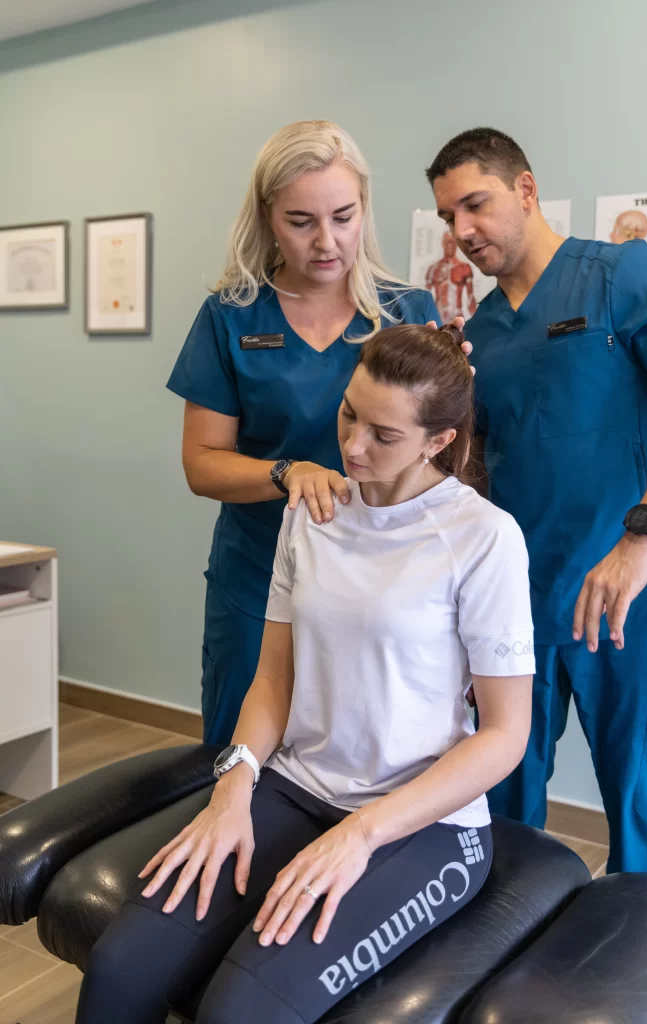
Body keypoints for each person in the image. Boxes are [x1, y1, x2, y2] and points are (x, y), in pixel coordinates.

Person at [76, 324, 535, 1024]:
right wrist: (232, 787)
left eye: (384, 435)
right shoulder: (313, 510)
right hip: (296, 786)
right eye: (350, 413)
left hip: (421, 825)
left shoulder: (482, 537)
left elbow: (503, 736)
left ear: (437, 440)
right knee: (118, 969)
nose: (352, 446)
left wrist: (359, 835)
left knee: (240, 1010)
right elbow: (274, 681)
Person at [427, 127, 647, 879]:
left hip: (629, 597)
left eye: (474, 205)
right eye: (446, 217)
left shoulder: (617, 275)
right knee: (497, 812)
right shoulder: (481, 333)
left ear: (525, 189)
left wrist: (641, 541)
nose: (461, 231)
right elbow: (480, 476)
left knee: (643, 823)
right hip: (515, 609)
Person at [166, 120, 456, 746]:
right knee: (241, 758)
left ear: (364, 210)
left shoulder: (408, 311)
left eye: (344, 217)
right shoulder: (233, 315)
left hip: (379, 585)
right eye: (301, 222)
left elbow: (440, 458)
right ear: (268, 217)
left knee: (366, 759)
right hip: (258, 575)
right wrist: (286, 472)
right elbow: (202, 464)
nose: (327, 241)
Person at [425, 230, 477, 321]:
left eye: (452, 242)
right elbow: (426, 299)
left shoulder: (464, 268)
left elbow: (470, 298)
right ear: (442, 244)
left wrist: (476, 321)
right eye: (447, 242)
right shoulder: (433, 269)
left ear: (456, 244)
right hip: (437, 317)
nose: (450, 246)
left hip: (457, 317)